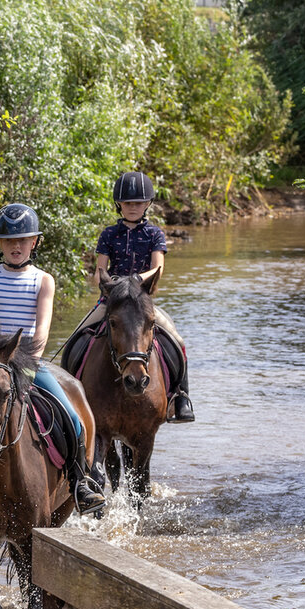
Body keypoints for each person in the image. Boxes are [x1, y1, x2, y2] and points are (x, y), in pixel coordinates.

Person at [0, 204, 107, 515]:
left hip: (25, 363)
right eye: (9, 241)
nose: (16, 246)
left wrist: (22, 361)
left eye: (22, 240)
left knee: (73, 417)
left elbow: (41, 331)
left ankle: (81, 483)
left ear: (34, 242)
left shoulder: (43, 280)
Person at [79, 171, 194, 422]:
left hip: (142, 303)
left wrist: (134, 281)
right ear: (119, 204)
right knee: (76, 338)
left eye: (138, 203)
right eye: (128, 203)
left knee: (178, 340)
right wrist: (113, 285)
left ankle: (181, 397)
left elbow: (157, 269)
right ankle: (73, 394)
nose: (133, 207)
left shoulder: (155, 234)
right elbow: (100, 272)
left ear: (147, 204)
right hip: (112, 301)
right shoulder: (109, 234)